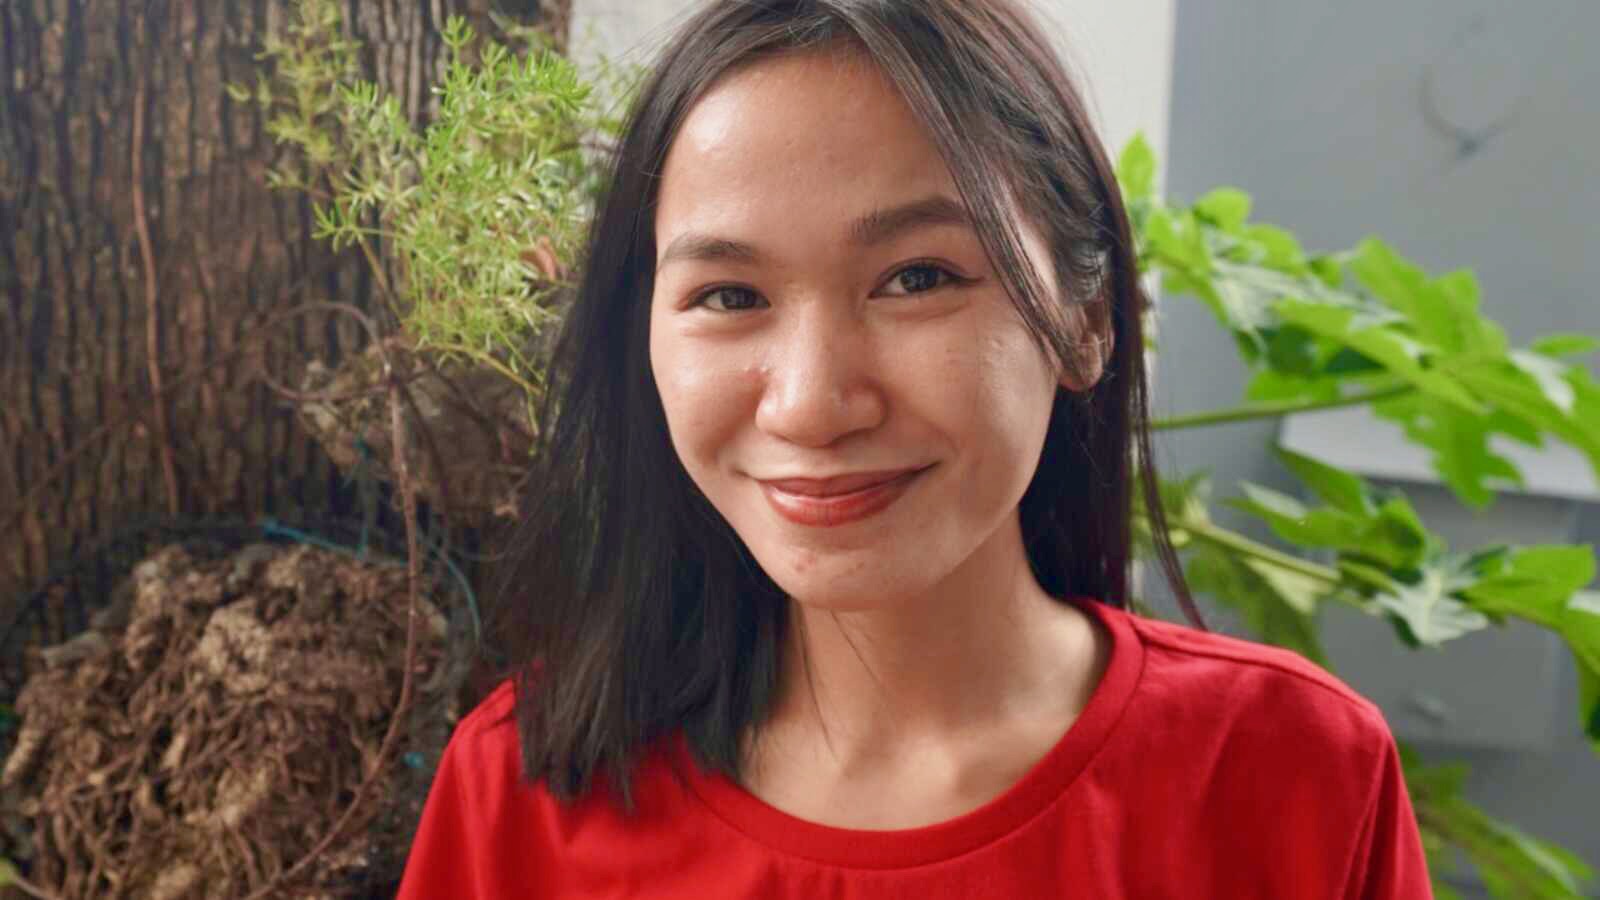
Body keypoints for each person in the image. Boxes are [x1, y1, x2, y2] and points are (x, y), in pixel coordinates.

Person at [396, 1, 1432, 896]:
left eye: (917, 279)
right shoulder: (519, 795)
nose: (810, 405)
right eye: (729, 296)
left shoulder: (1292, 774)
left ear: (1084, 322)